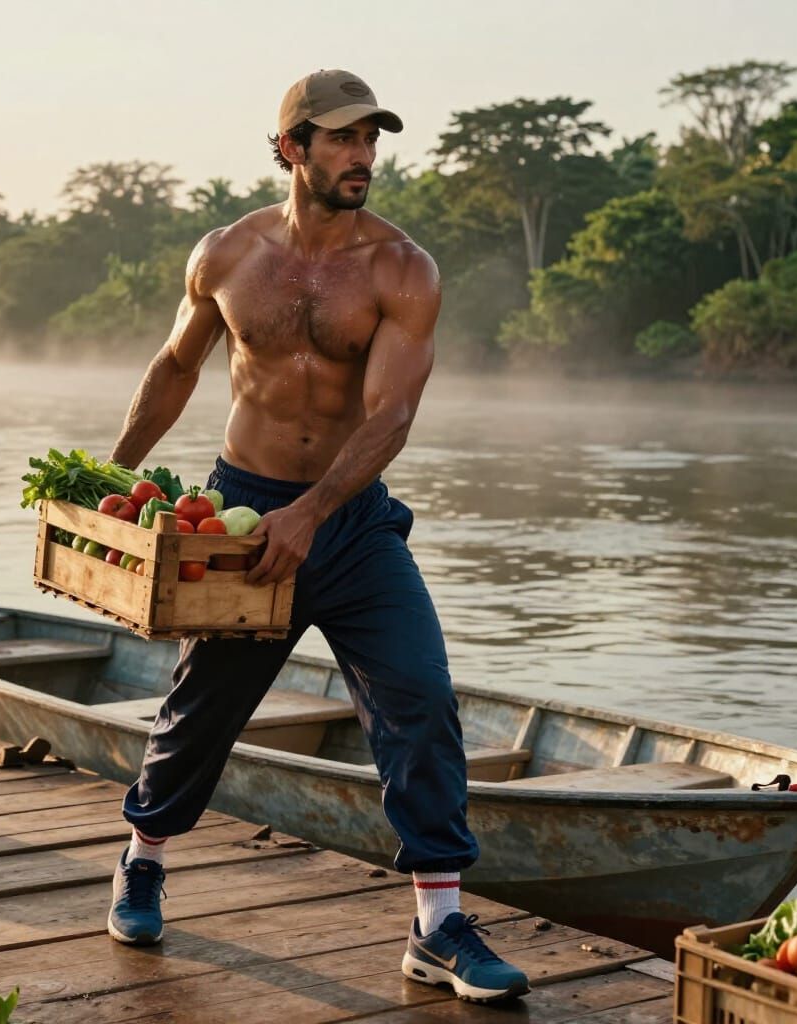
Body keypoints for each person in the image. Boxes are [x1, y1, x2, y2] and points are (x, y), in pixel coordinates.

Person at [105, 69, 529, 1004]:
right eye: (342, 139)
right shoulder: (227, 253)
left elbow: (392, 415)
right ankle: (143, 859)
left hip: (352, 523)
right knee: (203, 706)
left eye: (371, 139)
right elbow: (177, 367)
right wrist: (117, 472)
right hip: (239, 512)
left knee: (419, 698)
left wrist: (314, 514)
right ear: (291, 146)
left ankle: (438, 925)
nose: (363, 157)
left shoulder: (401, 269)